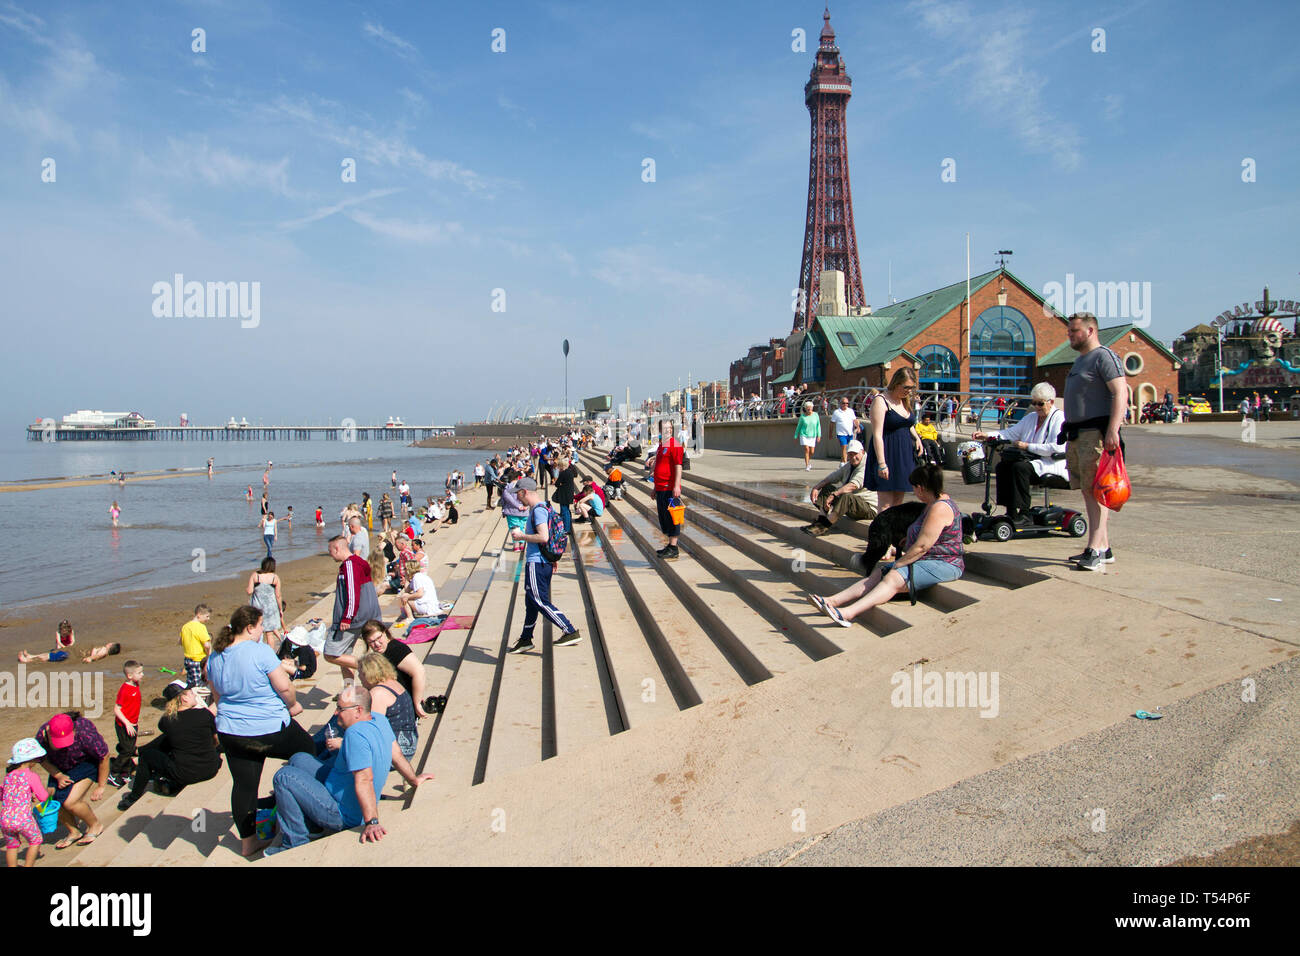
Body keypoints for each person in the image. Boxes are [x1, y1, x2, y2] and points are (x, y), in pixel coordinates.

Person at [265, 684, 432, 856]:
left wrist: (371, 822)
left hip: (341, 813)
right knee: (298, 759)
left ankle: (295, 842)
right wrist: (413, 779)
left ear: (358, 710)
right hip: (337, 783)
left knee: (283, 776)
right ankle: (312, 826)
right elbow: (396, 755)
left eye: (340, 708)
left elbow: (364, 779)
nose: (336, 712)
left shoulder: (355, 735)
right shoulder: (379, 719)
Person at [206, 605, 312, 856]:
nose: (263, 629)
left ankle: (248, 843)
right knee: (308, 751)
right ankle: (307, 811)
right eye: (261, 625)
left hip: (232, 731)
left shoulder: (215, 656)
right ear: (250, 627)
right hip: (269, 728)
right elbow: (284, 687)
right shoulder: (261, 651)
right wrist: (294, 705)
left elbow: (217, 695)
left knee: (244, 786)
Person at [811, 464, 964, 626]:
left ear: (921, 487)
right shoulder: (933, 503)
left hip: (946, 563)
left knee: (892, 576)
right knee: (879, 573)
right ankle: (832, 601)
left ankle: (847, 613)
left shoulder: (939, 508)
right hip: (929, 559)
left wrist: (899, 563)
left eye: (914, 488)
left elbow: (922, 547)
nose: (914, 492)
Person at [1061, 312, 1127, 571]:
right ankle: (1104, 548)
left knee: (1100, 492)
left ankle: (1094, 550)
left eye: (1074, 331)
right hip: (1078, 434)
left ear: (1090, 331)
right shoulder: (1080, 361)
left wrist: (1113, 430)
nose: (1070, 335)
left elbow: (1121, 391)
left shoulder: (1104, 356)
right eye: (1069, 331)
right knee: (1089, 491)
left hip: (1096, 435)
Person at [972, 382, 1068, 525]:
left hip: (1051, 462)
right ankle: (1011, 511)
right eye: (1034, 403)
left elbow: (1057, 448)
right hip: (1030, 460)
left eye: (1040, 404)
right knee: (1003, 466)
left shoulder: (1059, 418)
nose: (1036, 407)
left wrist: (1027, 446)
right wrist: (987, 435)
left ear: (1051, 402)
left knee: (1019, 468)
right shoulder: (1031, 417)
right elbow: (1010, 433)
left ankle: (1025, 513)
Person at [117, 684, 221, 812]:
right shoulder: (205, 714)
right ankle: (144, 758)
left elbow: (173, 729)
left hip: (185, 774)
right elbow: (215, 740)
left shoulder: (166, 722)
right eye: (192, 694)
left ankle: (133, 797)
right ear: (184, 699)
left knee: (149, 755)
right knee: (179, 739)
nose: (195, 696)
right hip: (211, 769)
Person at [507, 478, 581, 654]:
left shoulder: (538, 511)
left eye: (518, 493)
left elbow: (544, 537)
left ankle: (569, 630)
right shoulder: (544, 507)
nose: (517, 497)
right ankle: (526, 639)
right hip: (543, 561)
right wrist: (552, 558)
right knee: (531, 602)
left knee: (539, 600)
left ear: (525, 492)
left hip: (537, 563)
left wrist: (521, 536)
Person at [35, 712, 108, 848]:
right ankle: (74, 831)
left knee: (70, 802)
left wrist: (101, 785)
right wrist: (58, 775)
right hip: (59, 767)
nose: (61, 745)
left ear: (74, 730)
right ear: (49, 733)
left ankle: (95, 825)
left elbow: (104, 756)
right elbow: (41, 759)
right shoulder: (41, 736)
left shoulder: (85, 732)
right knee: (51, 800)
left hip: (85, 763)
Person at [323, 534, 382, 684]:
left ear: (337, 548)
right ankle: (350, 690)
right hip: (366, 616)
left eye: (330, 550)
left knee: (330, 654)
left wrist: (347, 617)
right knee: (344, 655)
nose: (329, 554)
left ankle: (370, 667)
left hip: (354, 619)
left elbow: (353, 592)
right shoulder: (360, 562)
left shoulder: (350, 565)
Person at [865, 368, 924, 512]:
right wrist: (882, 463)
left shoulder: (905, 401)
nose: (909, 391)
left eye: (912, 388)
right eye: (906, 387)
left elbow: (906, 422)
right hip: (887, 453)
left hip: (903, 454)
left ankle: (894, 533)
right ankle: (881, 533)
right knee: (886, 503)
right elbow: (877, 434)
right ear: (896, 383)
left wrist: (917, 438)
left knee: (898, 501)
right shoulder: (881, 401)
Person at [803, 439, 879, 536]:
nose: (853, 457)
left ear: (863, 452)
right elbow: (832, 477)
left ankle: (824, 527)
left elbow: (853, 485)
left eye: (855, 454)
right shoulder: (849, 465)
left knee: (846, 496)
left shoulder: (866, 466)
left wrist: (835, 494)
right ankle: (820, 522)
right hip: (854, 504)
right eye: (850, 454)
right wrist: (816, 488)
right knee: (827, 488)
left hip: (868, 509)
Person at [358, 653, 419, 760]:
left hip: (396, 754)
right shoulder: (394, 683)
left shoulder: (377, 693)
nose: (358, 677)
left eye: (360, 673)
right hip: (409, 744)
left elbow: (372, 730)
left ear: (367, 674)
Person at [3, 738, 50, 866]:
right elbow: (43, 797)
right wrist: (50, 796)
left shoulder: (9, 776)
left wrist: (27, 795)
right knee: (35, 840)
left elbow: (4, 794)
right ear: (31, 760)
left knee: (12, 845)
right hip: (23, 819)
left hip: (5, 819)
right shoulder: (31, 776)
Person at [651, 420, 685, 560]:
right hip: (660, 487)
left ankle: (673, 547)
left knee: (672, 518)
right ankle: (670, 546)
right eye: (665, 428)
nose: (668, 430)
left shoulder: (675, 445)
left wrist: (676, 486)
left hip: (669, 487)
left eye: (670, 428)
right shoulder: (661, 445)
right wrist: (654, 487)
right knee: (664, 518)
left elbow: (678, 466)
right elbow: (659, 465)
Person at [107, 660, 144, 787]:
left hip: (133, 723)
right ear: (129, 676)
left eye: (141, 672)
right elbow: (117, 709)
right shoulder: (125, 690)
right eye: (139, 673)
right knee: (127, 750)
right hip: (124, 725)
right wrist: (127, 723)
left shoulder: (136, 684)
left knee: (129, 747)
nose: (142, 675)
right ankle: (113, 773)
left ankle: (125, 772)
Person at [247, 557, 285, 646]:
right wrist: (280, 609)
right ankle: (270, 654)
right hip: (271, 609)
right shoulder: (275, 578)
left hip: (257, 608)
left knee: (256, 631)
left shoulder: (255, 575)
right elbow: (278, 595)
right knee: (269, 634)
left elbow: (249, 591)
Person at [396, 558, 439, 624]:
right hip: (432, 605)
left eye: (405, 569)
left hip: (427, 607)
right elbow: (407, 590)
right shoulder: (420, 576)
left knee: (404, 596)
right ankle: (408, 615)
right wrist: (407, 579)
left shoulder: (417, 578)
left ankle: (410, 617)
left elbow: (420, 594)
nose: (404, 571)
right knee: (406, 595)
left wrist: (407, 596)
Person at [180, 604, 212, 689]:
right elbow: (207, 645)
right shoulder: (201, 627)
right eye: (207, 616)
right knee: (199, 684)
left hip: (187, 659)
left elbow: (181, 641)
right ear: (199, 615)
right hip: (199, 660)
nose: (208, 619)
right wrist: (209, 655)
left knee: (190, 682)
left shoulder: (185, 626)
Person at [500, 471, 529, 551]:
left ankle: (516, 546)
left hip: (512, 511)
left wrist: (517, 506)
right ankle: (522, 545)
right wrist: (525, 505)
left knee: (514, 528)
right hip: (524, 511)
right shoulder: (524, 486)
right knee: (522, 527)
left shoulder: (508, 487)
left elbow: (506, 498)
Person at [552, 452, 578, 536]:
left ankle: (566, 529)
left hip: (564, 495)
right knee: (566, 510)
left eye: (559, 466)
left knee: (564, 511)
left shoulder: (563, 473)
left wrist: (560, 484)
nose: (558, 467)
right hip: (569, 493)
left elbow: (557, 483)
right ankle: (567, 527)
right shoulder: (569, 472)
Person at [793, 401, 822, 471]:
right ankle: (807, 465)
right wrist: (796, 435)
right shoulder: (803, 417)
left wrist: (819, 435)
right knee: (806, 449)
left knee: (812, 451)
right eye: (807, 408)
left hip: (813, 435)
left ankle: (808, 461)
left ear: (812, 408)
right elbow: (799, 426)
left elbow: (818, 426)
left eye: (810, 407)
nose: (809, 409)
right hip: (804, 435)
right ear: (805, 408)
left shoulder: (815, 415)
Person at [829, 396, 858, 463]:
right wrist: (830, 433)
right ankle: (844, 463)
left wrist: (858, 427)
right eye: (844, 403)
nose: (845, 405)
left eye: (847, 403)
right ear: (840, 404)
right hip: (841, 434)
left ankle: (842, 462)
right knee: (844, 447)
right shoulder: (836, 412)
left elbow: (855, 420)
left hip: (850, 433)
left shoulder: (850, 411)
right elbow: (832, 423)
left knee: (849, 448)